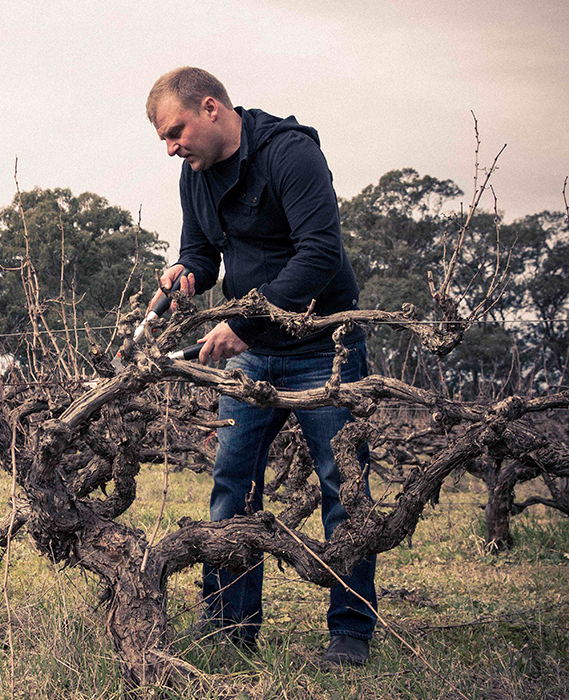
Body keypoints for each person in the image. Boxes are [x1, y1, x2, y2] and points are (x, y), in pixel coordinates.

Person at [146, 67, 376, 666]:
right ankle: (229, 628)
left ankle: (350, 633)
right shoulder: (192, 176)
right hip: (249, 351)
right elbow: (202, 251)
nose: (172, 147)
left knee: (342, 486)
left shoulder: (290, 154)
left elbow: (321, 252)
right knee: (232, 483)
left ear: (212, 108)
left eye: (177, 131)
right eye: (164, 140)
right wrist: (184, 274)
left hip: (325, 344)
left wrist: (243, 324)